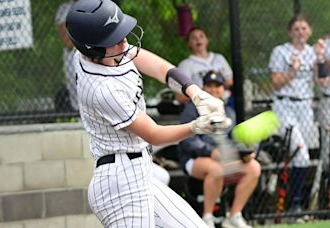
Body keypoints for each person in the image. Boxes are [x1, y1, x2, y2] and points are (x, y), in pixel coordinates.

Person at [65, 0, 231, 227]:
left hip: (139, 172)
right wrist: (196, 126)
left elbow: (160, 68)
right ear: (93, 49)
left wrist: (195, 93)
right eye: (114, 40)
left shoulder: (104, 51)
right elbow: (153, 133)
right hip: (120, 186)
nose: (124, 43)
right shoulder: (102, 90)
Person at [178, 71, 261, 228]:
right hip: (194, 159)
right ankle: (207, 219)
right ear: (203, 88)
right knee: (216, 169)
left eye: (218, 86)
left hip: (223, 159)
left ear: (223, 89)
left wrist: (243, 153)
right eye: (209, 86)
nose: (214, 90)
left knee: (253, 167)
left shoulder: (229, 112)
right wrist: (210, 152)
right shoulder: (191, 109)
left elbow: (233, 140)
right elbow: (188, 142)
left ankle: (234, 216)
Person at [268, 14, 316, 211]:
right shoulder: (280, 51)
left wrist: (321, 59)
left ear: (310, 31)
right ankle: (295, 203)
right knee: (301, 153)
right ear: (290, 32)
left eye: (304, 28)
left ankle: (298, 200)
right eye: (296, 29)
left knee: (302, 154)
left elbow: (322, 80)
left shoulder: (313, 52)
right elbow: (276, 83)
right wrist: (293, 72)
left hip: (305, 107)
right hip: (285, 105)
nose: (300, 32)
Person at [176, 27, 233, 104]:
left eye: (201, 36)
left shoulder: (219, 58)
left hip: (224, 102)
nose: (198, 39)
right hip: (199, 105)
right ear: (189, 43)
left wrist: (216, 89)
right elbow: (179, 96)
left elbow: (230, 81)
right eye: (193, 38)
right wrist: (203, 93)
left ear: (207, 40)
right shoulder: (185, 64)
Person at [55, 0, 78, 111]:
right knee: (77, 87)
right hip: (73, 54)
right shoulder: (65, 8)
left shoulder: (95, 3)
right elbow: (68, 41)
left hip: (92, 50)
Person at [314, 37, 330, 172]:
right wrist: (322, 58)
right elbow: (323, 80)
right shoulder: (323, 44)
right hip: (327, 99)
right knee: (327, 143)